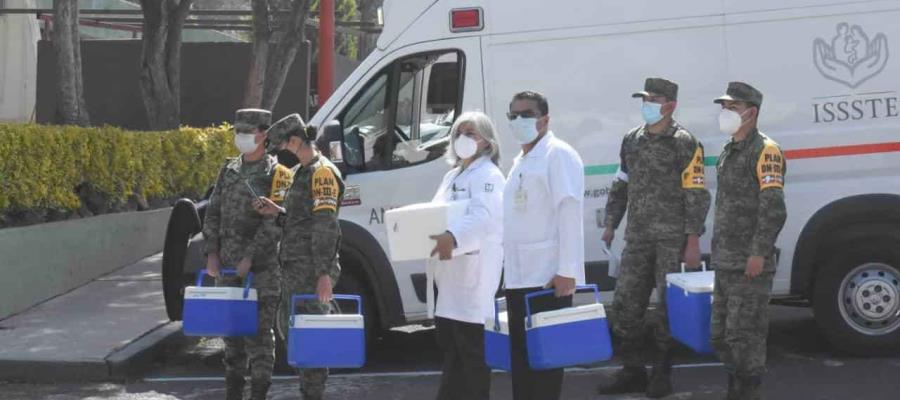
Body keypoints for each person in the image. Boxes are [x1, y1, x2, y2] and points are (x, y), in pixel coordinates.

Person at [597, 78, 711, 398]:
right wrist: (611, 223)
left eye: (654, 99)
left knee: (666, 311)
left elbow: (696, 193)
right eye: (644, 98)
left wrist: (692, 241)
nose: (647, 103)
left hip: (671, 240)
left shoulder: (684, 142)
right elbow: (621, 183)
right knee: (624, 305)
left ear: (671, 105)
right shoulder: (632, 140)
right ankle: (632, 370)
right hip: (638, 237)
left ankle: (662, 373)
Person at [202, 108, 294, 400]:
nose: (240, 138)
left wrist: (250, 258)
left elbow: (274, 224)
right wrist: (212, 252)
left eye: (246, 132)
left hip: (261, 272)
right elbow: (213, 211)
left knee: (259, 339)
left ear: (263, 135)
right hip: (228, 268)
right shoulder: (229, 169)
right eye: (237, 132)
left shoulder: (278, 174)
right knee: (231, 339)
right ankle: (233, 393)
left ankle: (258, 394)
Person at [254, 114, 345, 400]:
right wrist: (276, 212)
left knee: (311, 340)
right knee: (296, 337)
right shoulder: (300, 172)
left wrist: (323, 275)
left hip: (310, 271)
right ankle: (308, 391)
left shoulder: (322, 173)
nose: (281, 151)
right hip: (295, 269)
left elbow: (325, 225)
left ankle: (313, 394)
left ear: (294, 141)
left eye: (282, 145)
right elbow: (300, 219)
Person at [502, 91, 585, 400]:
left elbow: (569, 212)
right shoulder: (522, 160)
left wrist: (567, 271)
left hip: (547, 279)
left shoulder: (557, 154)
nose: (519, 120)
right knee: (523, 363)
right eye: (513, 115)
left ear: (545, 119)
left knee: (544, 367)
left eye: (527, 114)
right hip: (520, 276)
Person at [710, 82, 787, 400]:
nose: (725, 112)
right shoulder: (730, 149)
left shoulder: (765, 150)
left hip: (749, 263)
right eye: (724, 107)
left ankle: (746, 392)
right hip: (726, 261)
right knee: (721, 335)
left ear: (751, 112)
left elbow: (774, 208)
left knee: (746, 336)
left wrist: (758, 252)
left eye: (732, 107)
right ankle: (735, 388)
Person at [428, 111, 506, 400]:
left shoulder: (489, 175)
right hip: (449, 281)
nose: (464, 139)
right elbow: (435, 214)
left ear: (487, 141)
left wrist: (454, 237)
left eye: (471, 133)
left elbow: (483, 218)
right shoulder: (452, 176)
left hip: (473, 281)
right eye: (459, 133)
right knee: (452, 355)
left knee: (472, 357)